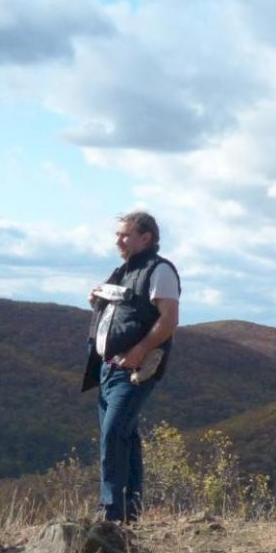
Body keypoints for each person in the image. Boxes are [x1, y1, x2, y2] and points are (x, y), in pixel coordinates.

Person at [81, 211, 179, 523]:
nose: (119, 241)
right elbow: (120, 313)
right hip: (108, 368)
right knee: (125, 436)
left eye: (125, 235)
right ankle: (130, 512)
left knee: (113, 435)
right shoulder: (122, 272)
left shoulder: (160, 270)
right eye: (118, 235)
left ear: (146, 238)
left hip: (135, 371)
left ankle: (110, 513)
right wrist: (97, 300)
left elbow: (169, 320)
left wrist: (140, 350)